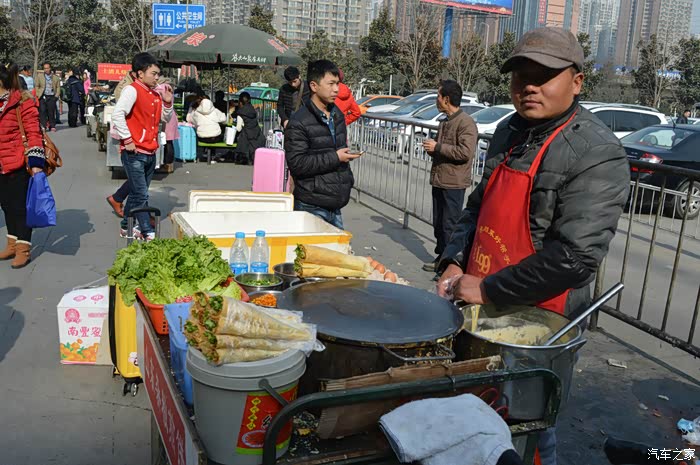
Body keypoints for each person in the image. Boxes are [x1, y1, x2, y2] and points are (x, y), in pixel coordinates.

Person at [435, 28, 630, 465]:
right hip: (478, 307)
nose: (529, 86)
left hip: (540, 324)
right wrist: (454, 261)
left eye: (544, 76)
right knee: (475, 411)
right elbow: (479, 205)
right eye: (521, 75)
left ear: (576, 82)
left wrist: (488, 288)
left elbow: (575, 258)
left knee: (529, 426)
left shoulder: (596, 152)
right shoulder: (510, 130)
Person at [284, 59, 358, 229]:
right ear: (314, 86)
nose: (336, 89)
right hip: (311, 204)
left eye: (337, 83)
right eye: (331, 84)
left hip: (335, 203)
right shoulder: (299, 122)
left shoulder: (337, 115)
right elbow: (297, 164)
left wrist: (347, 176)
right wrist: (336, 157)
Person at [111, 52, 173, 241]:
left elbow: (165, 118)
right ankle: (146, 230)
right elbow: (117, 114)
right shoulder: (132, 90)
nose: (157, 77)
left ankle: (126, 226)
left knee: (137, 193)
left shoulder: (154, 94)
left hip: (150, 150)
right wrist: (128, 139)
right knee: (141, 193)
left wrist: (167, 102)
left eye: (158, 74)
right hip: (134, 152)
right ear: (140, 73)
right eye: (153, 73)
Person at [421, 79, 478, 273]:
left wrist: (437, 147)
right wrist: (433, 149)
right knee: (438, 223)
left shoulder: (466, 122)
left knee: (450, 225)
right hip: (439, 179)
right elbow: (444, 150)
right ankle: (441, 258)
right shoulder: (445, 121)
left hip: (454, 182)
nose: (436, 100)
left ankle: (450, 264)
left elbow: (465, 153)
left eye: (438, 96)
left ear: (446, 99)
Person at [0, 63, 46, 269]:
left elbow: (33, 132)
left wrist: (36, 163)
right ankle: (12, 243)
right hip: (1, 164)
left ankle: (23, 248)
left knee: (20, 207)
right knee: (6, 206)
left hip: (19, 162)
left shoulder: (23, 102)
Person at [233, 92, 265, 165]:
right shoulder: (253, 111)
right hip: (257, 136)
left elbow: (238, 128)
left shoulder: (240, 113)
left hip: (246, 138)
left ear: (240, 102)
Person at [156, 79, 179, 173]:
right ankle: (169, 164)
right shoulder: (169, 89)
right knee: (169, 142)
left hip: (165, 118)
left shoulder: (161, 88)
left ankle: (166, 164)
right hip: (171, 116)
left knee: (165, 142)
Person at [34, 62, 61, 132]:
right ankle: (43, 125)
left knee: (51, 112)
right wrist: (38, 94)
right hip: (42, 96)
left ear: (50, 68)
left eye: (47, 68)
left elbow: (58, 87)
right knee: (42, 111)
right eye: (45, 68)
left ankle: (52, 126)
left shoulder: (55, 77)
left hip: (52, 96)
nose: (46, 70)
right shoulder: (40, 76)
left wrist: (56, 96)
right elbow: (36, 86)